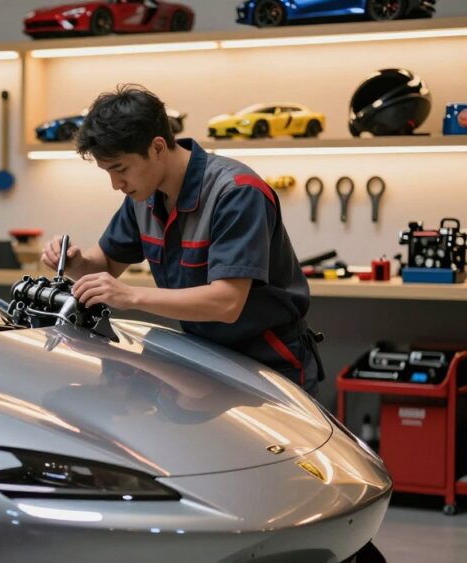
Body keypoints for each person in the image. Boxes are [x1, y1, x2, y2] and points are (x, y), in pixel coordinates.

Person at [42, 84, 323, 395]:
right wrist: (74, 263)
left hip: (269, 364)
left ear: (158, 147)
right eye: (107, 171)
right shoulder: (143, 196)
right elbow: (106, 264)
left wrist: (130, 296)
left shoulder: (236, 192)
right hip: (205, 357)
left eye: (120, 169)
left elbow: (226, 302)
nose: (115, 184)